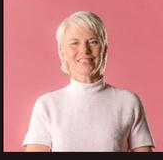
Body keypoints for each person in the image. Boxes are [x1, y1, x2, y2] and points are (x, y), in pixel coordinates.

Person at [23, 11, 154, 152]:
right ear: (62, 52)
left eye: (93, 42)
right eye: (74, 43)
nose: (84, 50)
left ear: (104, 49)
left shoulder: (128, 102)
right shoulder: (46, 105)